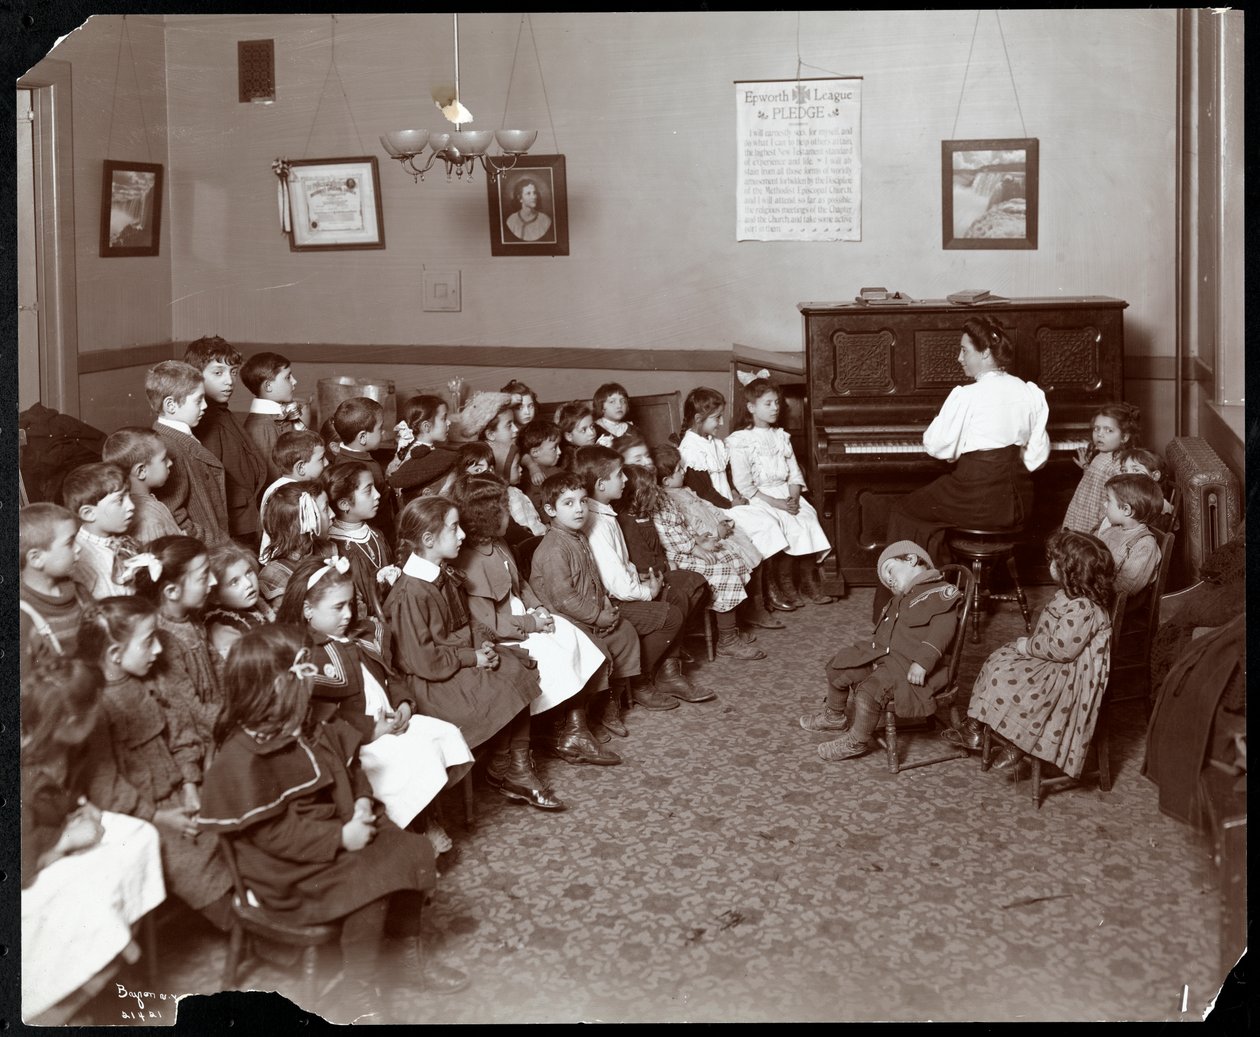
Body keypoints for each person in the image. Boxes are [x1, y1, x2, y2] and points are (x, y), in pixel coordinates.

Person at [196, 625, 467, 1024]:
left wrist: (359, 801)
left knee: (411, 848)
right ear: (270, 689)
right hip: (286, 866)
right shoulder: (241, 757)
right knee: (370, 885)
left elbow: (350, 766)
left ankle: (405, 957)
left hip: (335, 827)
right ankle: (359, 989)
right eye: (303, 676)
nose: (312, 686)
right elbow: (272, 834)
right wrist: (340, 836)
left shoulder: (306, 721)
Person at [275, 555, 473, 855]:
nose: (347, 615)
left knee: (441, 733)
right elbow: (323, 717)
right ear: (307, 611)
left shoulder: (360, 637)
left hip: (393, 719)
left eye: (350, 605)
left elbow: (390, 677)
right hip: (358, 739)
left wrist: (404, 704)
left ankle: (425, 813)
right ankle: (413, 828)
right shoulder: (308, 657)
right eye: (337, 607)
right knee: (412, 756)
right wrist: (373, 729)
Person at [382, 496, 562, 811]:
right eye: (454, 529)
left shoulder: (442, 573)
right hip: (430, 680)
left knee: (514, 667)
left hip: (456, 660)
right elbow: (422, 660)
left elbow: (469, 620)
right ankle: (509, 767)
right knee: (504, 679)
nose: (463, 535)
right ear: (428, 539)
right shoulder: (410, 594)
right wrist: (472, 658)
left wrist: (483, 644)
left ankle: (510, 766)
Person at [20, 657, 167, 1022]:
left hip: (41, 835)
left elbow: (56, 799)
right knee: (92, 897)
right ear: (70, 722)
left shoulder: (55, 745)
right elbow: (18, 866)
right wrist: (63, 843)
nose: (99, 719)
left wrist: (78, 809)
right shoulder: (22, 775)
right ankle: (79, 988)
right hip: (25, 867)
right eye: (93, 715)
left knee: (138, 838)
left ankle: (113, 959)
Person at [877, 315, 1049, 620]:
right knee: (933, 513)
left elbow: (937, 446)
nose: (959, 358)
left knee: (905, 509)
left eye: (964, 350)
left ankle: (910, 605)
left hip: (975, 498)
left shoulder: (967, 396)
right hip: (1018, 503)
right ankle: (943, 588)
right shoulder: (1029, 392)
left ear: (985, 353)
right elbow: (1036, 459)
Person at [77, 596, 233, 928]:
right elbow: (107, 787)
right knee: (193, 865)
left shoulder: (152, 680)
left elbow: (182, 733)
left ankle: (268, 902)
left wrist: (192, 784)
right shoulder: (96, 707)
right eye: (148, 642)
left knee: (237, 827)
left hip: (184, 793)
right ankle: (246, 927)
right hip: (144, 817)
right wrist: (159, 816)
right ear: (115, 655)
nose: (158, 650)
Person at [450, 474, 618, 765]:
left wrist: (539, 608)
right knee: (552, 653)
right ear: (487, 514)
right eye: (504, 508)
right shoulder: (471, 561)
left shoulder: (500, 544)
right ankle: (565, 731)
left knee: (570, 635)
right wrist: (532, 624)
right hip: (503, 632)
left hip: (524, 616)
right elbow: (490, 623)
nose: (510, 513)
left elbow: (521, 585)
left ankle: (572, 730)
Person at [957, 530, 1115, 776]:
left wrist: (1027, 647)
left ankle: (1020, 742)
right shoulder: (1071, 595)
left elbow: (1062, 649)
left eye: (1055, 561)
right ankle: (976, 726)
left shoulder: (1084, 608)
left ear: (1070, 571)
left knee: (1013, 680)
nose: (1049, 564)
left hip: (1069, 674)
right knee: (999, 661)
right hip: (1052, 658)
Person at [804, 541, 962, 761]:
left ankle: (857, 741)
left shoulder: (940, 593)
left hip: (909, 666)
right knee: (839, 665)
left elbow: (942, 632)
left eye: (890, 570)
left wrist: (923, 662)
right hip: (884, 656)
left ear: (911, 559)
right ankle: (834, 716)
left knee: (870, 691)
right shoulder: (902, 598)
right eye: (886, 580)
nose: (888, 580)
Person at [573, 446, 704, 709]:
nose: (625, 480)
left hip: (625, 589)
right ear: (600, 484)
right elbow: (614, 582)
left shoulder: (607, 513)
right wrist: (647, 592)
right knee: (670, 614)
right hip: (611, 601)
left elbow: (624, 566)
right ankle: (641, 680)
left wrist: (643, 581)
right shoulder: (597, 524)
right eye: (619, 475)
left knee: (685, 588)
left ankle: (668, 672)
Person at [531, 471, 644, 740]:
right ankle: (589, 713)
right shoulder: (554, 548)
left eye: (582, 501)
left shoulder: (578, 536)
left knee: (625, 633)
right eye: (568, 504)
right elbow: (564, 599)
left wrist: (604, 604)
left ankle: (609, 704)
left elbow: (593, 576)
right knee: (599, 650)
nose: (579, 509)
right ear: (550, 510)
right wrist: (597, 617)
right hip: (565, 620)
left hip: (588, 612)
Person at [619, 461, 762, 662]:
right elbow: (669, 541)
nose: (657, 493)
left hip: (684, 548)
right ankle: (726, 642)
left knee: (733, 559)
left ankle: (727, 628)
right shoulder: (639, 518)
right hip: (674, 556)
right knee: (723, 572)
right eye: (652, 491)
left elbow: (682, 527)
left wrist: (698, 540)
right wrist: (695, 548)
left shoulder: (661, 501)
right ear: (637, 496)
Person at [677, 387, 788, 625]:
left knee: (768, 520)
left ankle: (767, 592)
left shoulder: (714, 442)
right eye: (716, 418)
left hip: (727, 502)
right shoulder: (690, 448)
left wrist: (735, 494)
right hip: (712, 509)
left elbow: (726, 477)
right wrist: (730, 503)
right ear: (698, 419)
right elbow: (704, 491)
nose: (720, 423)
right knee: (757, 529)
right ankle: (756, 605)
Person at [726, 377, 835, 609]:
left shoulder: (781, 436)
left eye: (777, 402)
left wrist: (794, 498)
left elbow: (795, 474)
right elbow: (744, 485)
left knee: (806, 518)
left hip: (786, 493)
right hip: (759, 497)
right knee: (780, 524)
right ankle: (785, 584)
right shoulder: (740, 440)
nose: (775, 408)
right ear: (751, 407)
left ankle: (807, 581)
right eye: (768, 403)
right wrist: (778, 503)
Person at [133, 536, 223, 754]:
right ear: (172, 592)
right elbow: (191, 710)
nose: (213, 581)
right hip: (197, 742)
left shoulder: (190, 618)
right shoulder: (163, 639)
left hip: (218, 720)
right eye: (203, 577)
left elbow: (217, 665)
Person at [185, 336, 268, 548]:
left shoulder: (222, 413)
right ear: (195, 377)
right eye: (218, 373)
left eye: (232, 372)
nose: (229, 381)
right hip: (232, 529)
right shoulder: (204, 422)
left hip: (247, 522)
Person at [147, 360, 229, 546]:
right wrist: (213, 540)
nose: (205, 406)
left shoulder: (179, 437)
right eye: (199, 400)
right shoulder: (167, 448)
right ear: (171, 405)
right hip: (207, 548)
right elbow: (174, 515)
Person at [327, 460, 398, 635]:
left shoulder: (376, 534)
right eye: (368, 490)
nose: (377, 495)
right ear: (344, 504)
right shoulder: (335, 548)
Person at [19, 503, 93, 668]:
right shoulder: (21, 615)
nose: (79, 548)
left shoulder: (80, 592)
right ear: (36, 558)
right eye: (70, 543)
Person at [61, 462, 138, 598]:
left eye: (129, 496)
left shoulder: (119, 539)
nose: (131, 506)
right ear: (89, 513)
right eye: (120, 500)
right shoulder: (81, 562)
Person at [1061, 402, 1142, 533]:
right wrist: (1087, 467)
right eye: (1096, 429)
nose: (1099, 434)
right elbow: (1097, 482)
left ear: (1125, 437)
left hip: (1097, 516)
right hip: (1082, 510)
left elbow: (1118, 496)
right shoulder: (1102, 454)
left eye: (1108, 430)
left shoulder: (1121, 464)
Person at [257, 429, 329, 564]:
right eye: (321, 459)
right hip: (284, 561)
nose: (327, 463)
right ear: (301, 467)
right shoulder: (285, 494)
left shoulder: (301, 488)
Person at [259, 480, 336, 603]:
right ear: (304, 523)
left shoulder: (331, 550)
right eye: (325, 509)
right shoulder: (274, 576)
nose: (333, 514)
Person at [102, 427, 182, 544]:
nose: (170, 463)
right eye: (164, 459)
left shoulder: (147, 505)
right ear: (141, 471)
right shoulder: (149, 522)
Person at [330, 395, 394, 536]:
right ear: (363, 437)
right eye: (380, 428)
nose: (383, 432)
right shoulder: (361, 469)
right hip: (377, 530)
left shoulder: (342, 457)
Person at [204, 540, 275, 659]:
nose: (248, 583)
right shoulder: (222, 627)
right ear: (214, 596)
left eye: (248, 573)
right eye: (234, 582)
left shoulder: (257, 607)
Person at [240, 351, 304, 480]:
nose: (295, 381)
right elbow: (273, 478)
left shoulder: (277, 416)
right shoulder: (260, 427)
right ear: (268, 386)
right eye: (287, 377)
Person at [1097, 473, 1163, 597]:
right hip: (1097, 590)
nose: (1105, 504)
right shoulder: (1112, 530)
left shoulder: (1145, 545)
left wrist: (1091, 584)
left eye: (1108, 500)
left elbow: (1126, 589)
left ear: (1126, 510)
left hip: (1113, 603)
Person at [387, 394, 458, 506]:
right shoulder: (415, 456)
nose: (449, 422)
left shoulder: (423, 448)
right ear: (426, 426)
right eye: (444, 418)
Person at [504, 178, 553, 243]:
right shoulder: (511, 220)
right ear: (520, 198)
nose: (534, 197)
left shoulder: (545, 221)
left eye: (534, 193)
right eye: (528, 193)